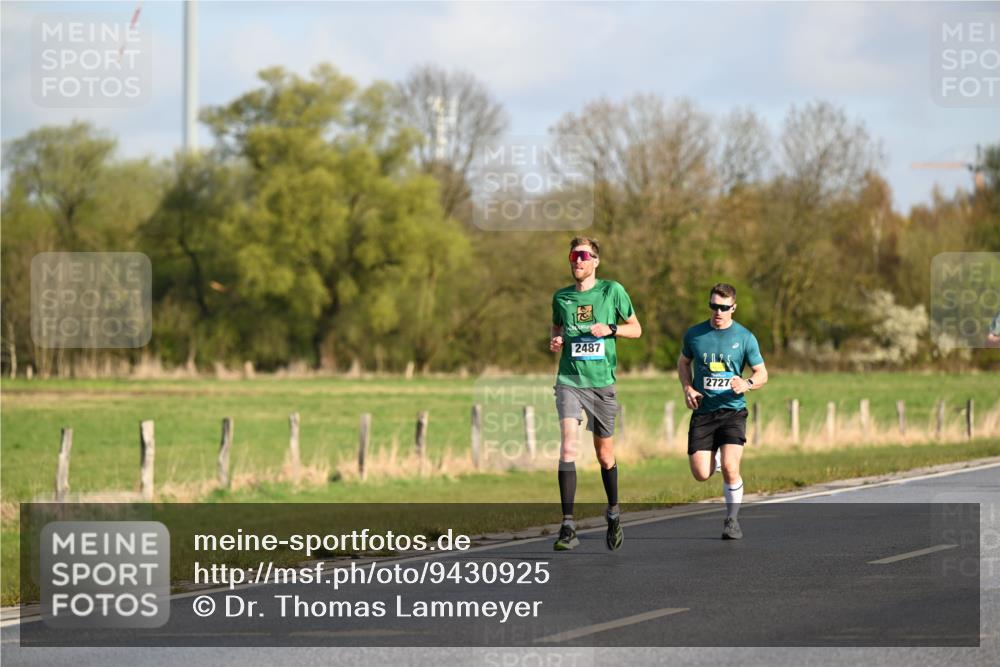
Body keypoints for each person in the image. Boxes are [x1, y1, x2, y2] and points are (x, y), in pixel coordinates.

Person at [549, 237, 641, 551]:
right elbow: (557, 328)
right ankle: (567, 526)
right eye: (574, 255)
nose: (578, 260)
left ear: (596, 261)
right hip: (570, 379)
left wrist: (611, 329)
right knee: (568, 447)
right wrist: (556, 341)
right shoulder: (561, 297)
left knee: (604, 455)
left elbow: (636, 328)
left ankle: (613, 512)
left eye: (584, 255)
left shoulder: (611, 291)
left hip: (602, 383)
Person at [677, 283, 767, 540]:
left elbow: (762, 373)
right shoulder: (695, 334)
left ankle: (732, 520)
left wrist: (747, 383)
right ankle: (715, 459)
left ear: (733, 308)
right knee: (701, 474)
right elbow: (683, 362)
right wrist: (687, 388)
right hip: (703, 412)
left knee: (730, 467)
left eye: (724, 308)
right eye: (714, 306)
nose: (718, 312)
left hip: (732, 411)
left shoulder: (745, 337)